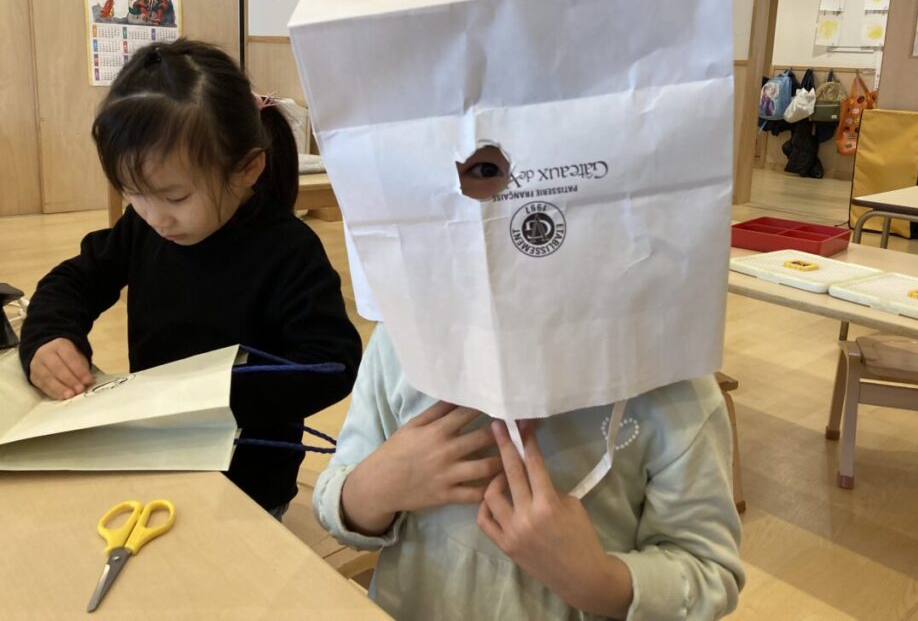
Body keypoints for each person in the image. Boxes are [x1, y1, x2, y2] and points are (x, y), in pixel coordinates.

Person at [312, 154, 744, 620]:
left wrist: (599, 581)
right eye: (485, 172)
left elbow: (711, 572)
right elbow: (337, 498)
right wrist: (373, 490)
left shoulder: (671, 385)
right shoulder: (403, 345)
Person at [19, 39, 362, 516]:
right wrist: (48, 335)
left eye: (175, 197)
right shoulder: (143, 227)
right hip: (157, 454)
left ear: (247, 169)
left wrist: (208, 395)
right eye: (133, 193)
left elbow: (332, 364)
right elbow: (73, 280)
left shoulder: (288, 251)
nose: (154, 216)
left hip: (248, 479)